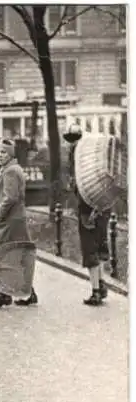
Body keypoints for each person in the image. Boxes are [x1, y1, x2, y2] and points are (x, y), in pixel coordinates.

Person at [0, 138, 38, 309]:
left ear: (10, 154)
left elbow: (10, 198)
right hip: (15, 218)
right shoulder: (10, 168)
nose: (0, 155)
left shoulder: (10, 171)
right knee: (14, 255)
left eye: (3, 152)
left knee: (1, 254)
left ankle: (4, 293)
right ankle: (25, 292)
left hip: (9, 220)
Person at [63, 124, 110, 306]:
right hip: (103, 208)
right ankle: (101, 284)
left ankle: (96, 291)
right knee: (100, 248)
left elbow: (76, 188)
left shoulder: (79, 164)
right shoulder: (95, 162)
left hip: (87, 209)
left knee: (90, 251)